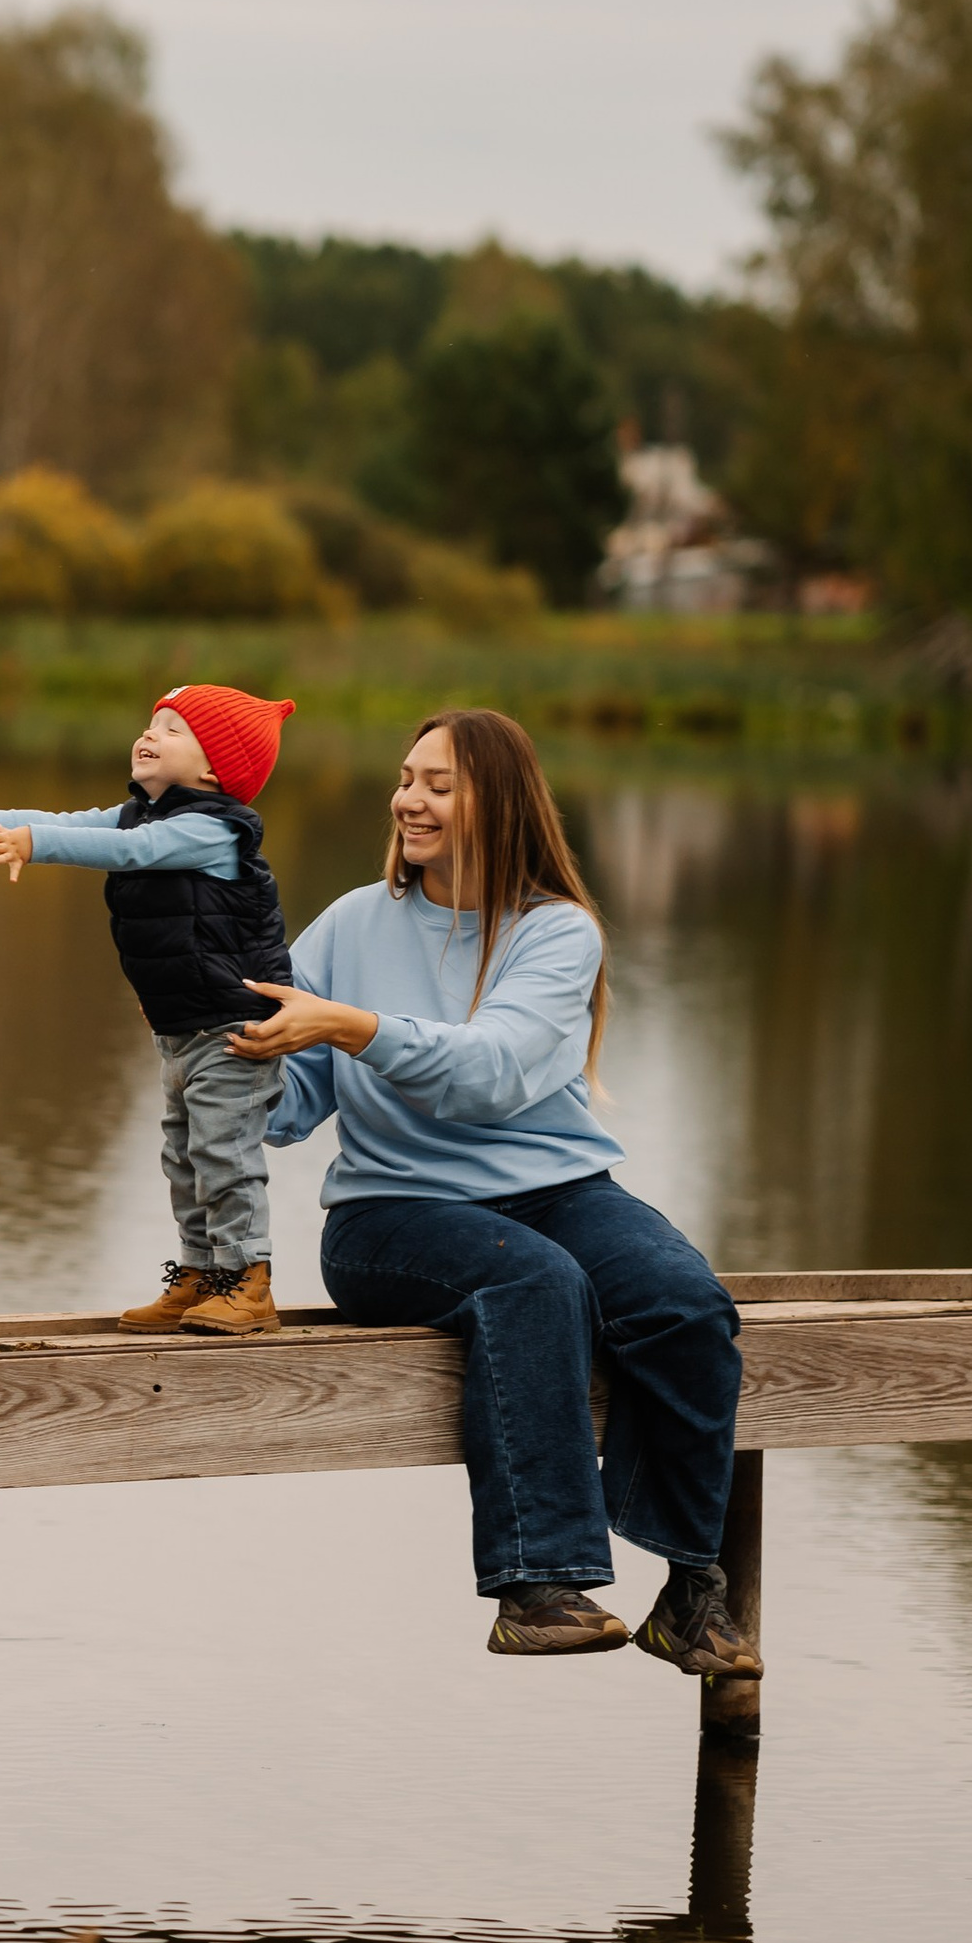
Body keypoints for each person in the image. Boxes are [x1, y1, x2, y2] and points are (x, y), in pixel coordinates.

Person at [228, 705, 758, 1673]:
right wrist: (210, 1050)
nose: (407, 799)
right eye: (403, 778)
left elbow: (493, 1071)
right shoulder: (351, 922)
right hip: (391, 1215)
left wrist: (350, 1025)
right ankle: (537, 1585)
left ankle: (689, 1588)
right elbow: (288, 1104)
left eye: (437, 783)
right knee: (535, 1283)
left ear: (496, 802)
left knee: (684, 1303)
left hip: (556, 1191)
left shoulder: (557, 933)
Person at [0, 683, 298, 1339]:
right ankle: (202, 1273)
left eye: (172, 728)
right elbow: (67, 820)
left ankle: (247, 1282)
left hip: (235, 1030)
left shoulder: (208, 830)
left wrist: (35, 844)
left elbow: (125, 854)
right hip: (180, 1032)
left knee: (224, 1154)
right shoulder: (141, 813)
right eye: (150, 722)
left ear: (214, 769)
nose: (149, 734)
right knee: (185, 1156)